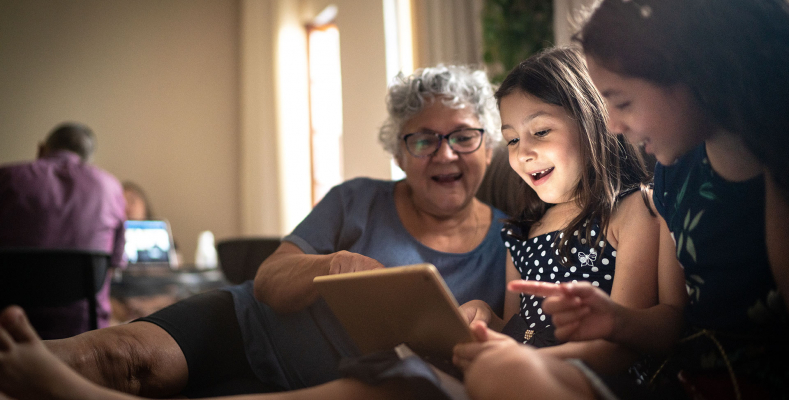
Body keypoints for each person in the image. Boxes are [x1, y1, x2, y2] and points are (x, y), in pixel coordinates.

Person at [0, 64, 509, 400]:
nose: (445, 153)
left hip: (347, 382)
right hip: (248, 324)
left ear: (487, 146)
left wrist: (485, 319)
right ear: (399, 153)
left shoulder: (510, 242)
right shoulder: (357, 198)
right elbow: (270, 279)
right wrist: (332, 265)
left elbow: (507, 349)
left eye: (463, 137)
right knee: (118, 358)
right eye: (423, 140)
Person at [465, 0, 789, 399]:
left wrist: (610, 326)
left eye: (621, 102)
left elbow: (664, 325)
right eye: (511, 139)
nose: (613, 124)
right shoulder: (672, 179)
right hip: (681, 379)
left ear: (689, 73)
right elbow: (519, 325)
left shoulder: (647, 203)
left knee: (497, 376)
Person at [452, 46, 662, 374]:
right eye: (511, 140)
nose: (523, 153)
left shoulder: (633, 211)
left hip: (593, 382)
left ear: (592, 121)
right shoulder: (522, 232)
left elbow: (622, 348)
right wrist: (486, 320)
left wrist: (530, 363)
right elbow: (518, 331)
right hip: (523, 377)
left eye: (540, 132)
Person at [0, 122, 126, 338]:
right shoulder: (109, 186)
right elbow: (112, 267)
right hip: (84, 332)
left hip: (10, 329)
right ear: (88, 161)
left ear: (41, 149)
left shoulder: (6, 178)